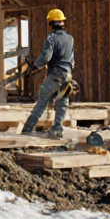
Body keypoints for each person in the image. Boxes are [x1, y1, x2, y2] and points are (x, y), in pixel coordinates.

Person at [20, 8, 76, 138]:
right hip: (67, 75)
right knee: (62, 102)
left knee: (42, 100)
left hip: (55, 74)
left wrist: (35, 66)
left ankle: (28, 128)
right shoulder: (70, 38)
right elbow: (72, 59)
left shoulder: (51, 39)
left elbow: (45, 57)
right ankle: (57, 129)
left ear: (50, 23)